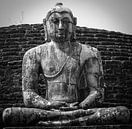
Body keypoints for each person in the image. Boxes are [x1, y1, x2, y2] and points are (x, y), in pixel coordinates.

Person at [3, 3, 130, 126]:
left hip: (78, 109)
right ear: (45, 24)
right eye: (55, 21)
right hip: (48, 110)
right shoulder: (33, 54)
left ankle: (64, 119)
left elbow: (97, 93)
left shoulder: (90, 53)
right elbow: (29, 94)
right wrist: (49, 105)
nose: (60, 26)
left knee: (121, 112)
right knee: (9, 114)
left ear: (74, 24)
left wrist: (80, 106)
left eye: (65, 21)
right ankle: (71, 120)